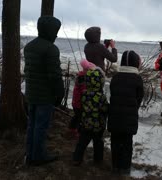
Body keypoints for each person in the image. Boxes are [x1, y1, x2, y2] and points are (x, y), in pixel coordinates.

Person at [24, 16, 64, 166]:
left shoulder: (29, 46)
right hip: (45, 96)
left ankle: (30, 154)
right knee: (41, 127)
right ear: (49, 31)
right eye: (55, 31)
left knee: (32, 125)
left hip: (31, 94)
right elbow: (55, 76)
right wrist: (60, 94)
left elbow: (28, 71)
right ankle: (38, 156)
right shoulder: (50, 49)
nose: (56, 35)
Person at [108, 50, 144, 175]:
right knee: (127, 144)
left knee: (115, 142)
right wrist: (133, 109)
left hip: (114, 117)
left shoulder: (115, 77)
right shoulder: (137, 79)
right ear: (135, 63)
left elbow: (112, 94)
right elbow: (139, 98)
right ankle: (125, 168)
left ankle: (115, 166)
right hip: (129, 119)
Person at [72, 68, 108, 166]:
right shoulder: (101, 96)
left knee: (82, 142)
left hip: (85, 124)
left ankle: (76, 159)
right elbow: (105, 109)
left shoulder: (84, 94)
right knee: (98, 143)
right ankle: (98, 160)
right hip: (98, 125)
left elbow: (82, 106)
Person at [70, 59, 96, 138]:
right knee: (80, 118)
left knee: (77, 116)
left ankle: (71, 128)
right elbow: (84, 93)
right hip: (79, 103)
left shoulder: (80, 76)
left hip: (75, 102)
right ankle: (76, 131)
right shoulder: (83, 80)